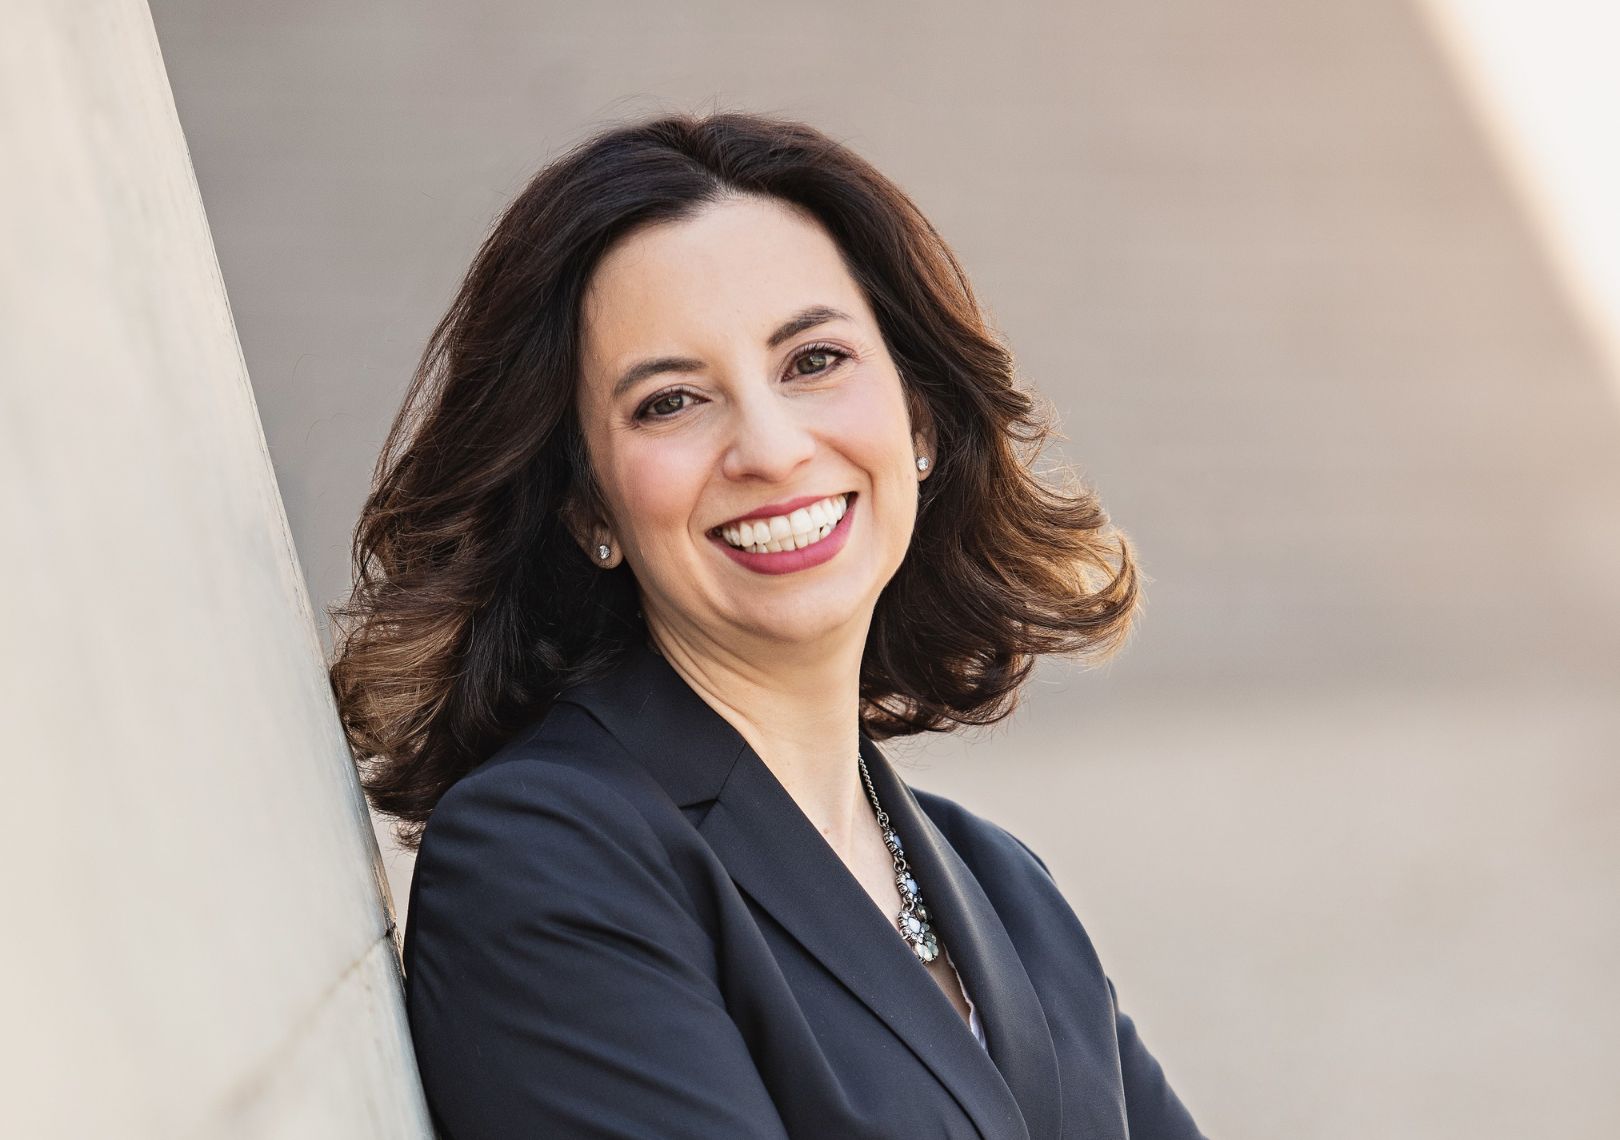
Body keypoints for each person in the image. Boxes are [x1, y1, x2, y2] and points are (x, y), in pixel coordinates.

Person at [329, 110, 1207, 1139]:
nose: (772, 447)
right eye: (669, 402)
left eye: (814, 361)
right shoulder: (546, 858)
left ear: (917, 419)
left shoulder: (1008, 893)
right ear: (590, 509)